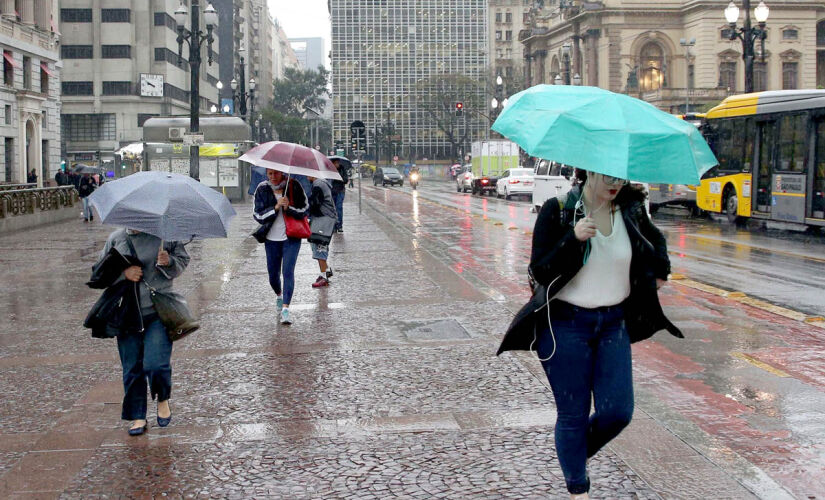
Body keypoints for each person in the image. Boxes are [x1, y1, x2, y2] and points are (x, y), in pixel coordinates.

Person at [497, 170, 682, 499]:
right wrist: (573, 238)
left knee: (618, 412)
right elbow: (538, 270)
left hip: (614, 323)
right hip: (566, 323)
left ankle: (573, 452)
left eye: (621, 178)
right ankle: (578, 488)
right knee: (573, 414)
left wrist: (661, 271)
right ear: (587, 170)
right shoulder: (560, 210)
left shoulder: (631, 207)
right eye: (608, 176)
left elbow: (656, 242)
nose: (616, 184)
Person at [96, 228, 190, 436]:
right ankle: (138, 415)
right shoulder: (116, 239)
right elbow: (99, 273)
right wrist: (123, 274)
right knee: (132, 367)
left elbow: (183, 260)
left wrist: (169, 262)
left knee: (155, 363)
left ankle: (163, 398)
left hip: (159, 311)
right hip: (127, 313)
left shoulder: (165, 235)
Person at [253, 169, 308, 325]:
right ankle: (279, 293)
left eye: (276, 173)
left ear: (282, 173)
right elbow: (258, 215)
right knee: (273, 276)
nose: (273, 177)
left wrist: (289, 208)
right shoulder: (262, 188)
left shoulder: (294, 185)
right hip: (271, 239)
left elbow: (305, 210)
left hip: (291, 237)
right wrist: (275, 208)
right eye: (270, 174)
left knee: (288, 272)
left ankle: (286, 309)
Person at [307, 174, 337, 288]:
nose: (305, 176)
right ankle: (326, 271)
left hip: (323, 219)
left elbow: (315, 204)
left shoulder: (318, 184)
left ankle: (324, 276)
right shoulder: (321, 183)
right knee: (319, 245)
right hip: (324, 218)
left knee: (320, 246)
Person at [329, 158, 348, 233]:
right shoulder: (329, 170)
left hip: (340, 191)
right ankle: (334, 226)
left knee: (339, 208)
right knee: (332, 209)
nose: (337, 164)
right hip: (332, 191)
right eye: (335, 163)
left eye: (338, 163)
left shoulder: (342, 169)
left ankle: (339, 225)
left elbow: (345, 180)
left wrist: (338, 177)